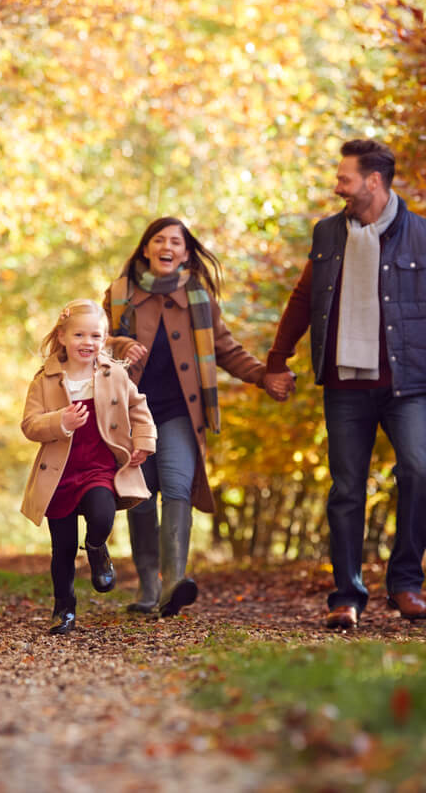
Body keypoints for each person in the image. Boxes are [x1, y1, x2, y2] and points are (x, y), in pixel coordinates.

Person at [263, 139, 426, 627]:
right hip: (345, 387)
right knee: (347, 488)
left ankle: (406, 584)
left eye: (345, 178)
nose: (337, 186)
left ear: (373, 181)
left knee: (417, 473)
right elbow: (303, 299)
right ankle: (346, 596)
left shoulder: (424, 236)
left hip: (406, 386)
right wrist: (276, 361)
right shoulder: (328, 235)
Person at [107, 217, 287, 617]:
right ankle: (149, 587)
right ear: (146, 248)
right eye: (159, 239)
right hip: (133, 413)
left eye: (176, 241)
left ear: (186, 253)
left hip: (179, 413)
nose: (167, 246)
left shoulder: (199, 300)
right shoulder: (121, 293)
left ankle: (173, 583)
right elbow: (94, 343)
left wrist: (263, 376)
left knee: (176, 487)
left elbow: (228, 350)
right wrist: (120, 344)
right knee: (140, 495)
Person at [20, 299, 157, 635]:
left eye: (96, 336)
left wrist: (143, 441)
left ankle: (96, 547)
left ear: (105, 339)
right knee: (63, 548)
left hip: (98, 468)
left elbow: (139, 409)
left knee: (102, 515)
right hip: (59, 473)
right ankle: (63, 609)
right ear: (63, 336)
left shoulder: (114, 375)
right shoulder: (45, 379)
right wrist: (60, 421)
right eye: (79, 334)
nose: (88, 342)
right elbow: (29, 425)